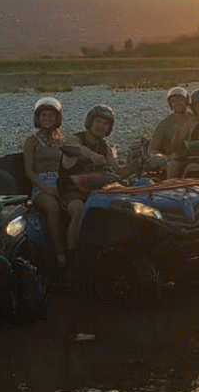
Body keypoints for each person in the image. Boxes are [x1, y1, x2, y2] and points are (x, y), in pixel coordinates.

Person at [58, 104, 124, 256]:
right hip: (71, 190)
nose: (101, 126)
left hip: (95, 189)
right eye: (98, 121)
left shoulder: (104, 147)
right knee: (79, 210)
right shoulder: (76, 138)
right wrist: (90, 154)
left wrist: (141, 163)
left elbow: (118, 171)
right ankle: (71, 257)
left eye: (106, 124)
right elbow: (71, 147)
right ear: (90, 122)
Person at [23, 96, 68, 272]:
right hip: (41, 186)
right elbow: (29, 172)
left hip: (61, 183)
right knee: (53, 208)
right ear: (38, 118)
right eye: (43, 115)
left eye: (51, 115)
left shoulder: (61, 140)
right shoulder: (31, 141)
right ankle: (60, 256)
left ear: (57, 118)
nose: (47, 118)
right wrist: (47, 189)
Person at [147, 87, 189, 159]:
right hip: (175, 160)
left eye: (181, 100)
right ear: (170, 104)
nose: (177, 103)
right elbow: (152, 150)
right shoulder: (164, 124)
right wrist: (166, 157)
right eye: (174, 101)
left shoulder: (195, 119)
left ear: (186, 102)